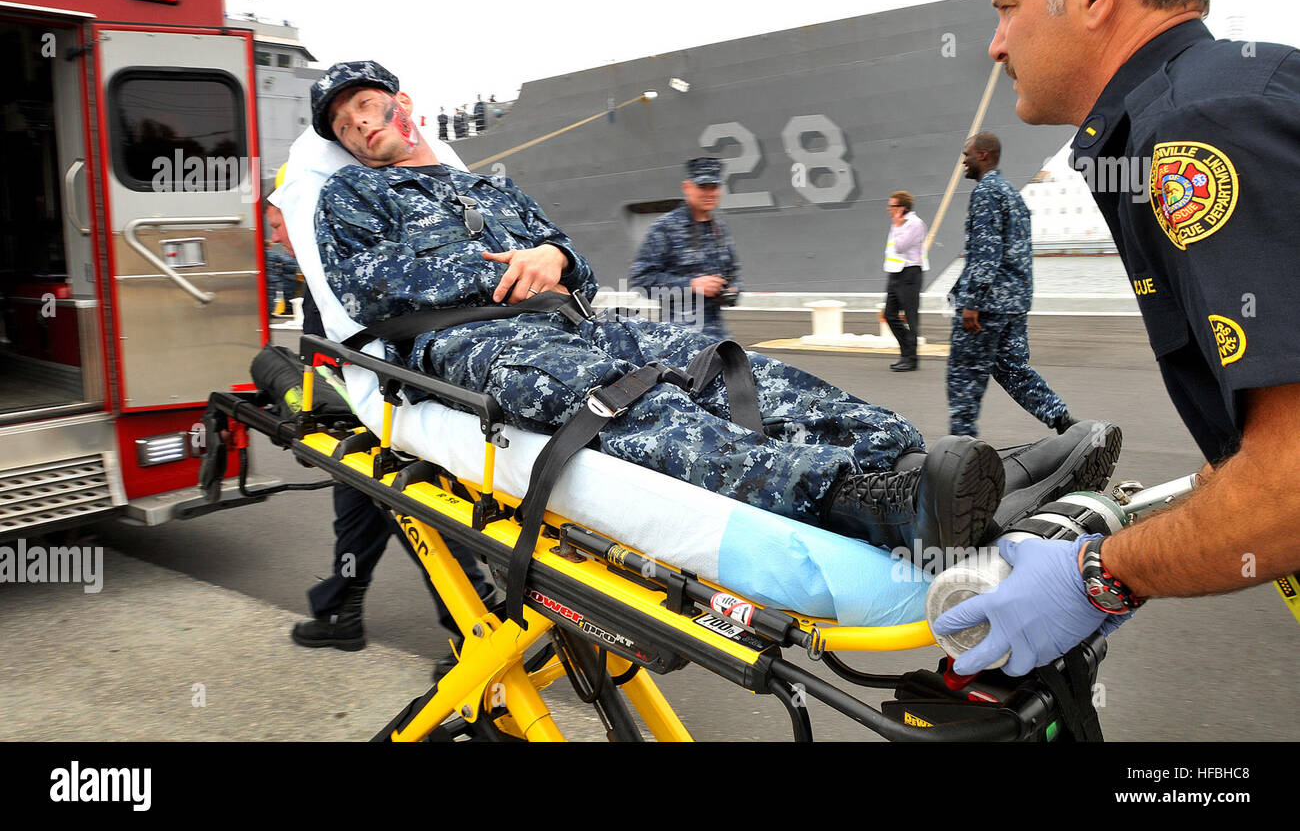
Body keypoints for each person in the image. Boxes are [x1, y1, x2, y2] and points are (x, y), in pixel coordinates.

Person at [306, 60, 1114, 562]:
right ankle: (868, 500)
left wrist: (552, 259)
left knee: (734, 370)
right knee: (637, 407)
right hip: (477, 344)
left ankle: (923, 465)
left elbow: (576, 260)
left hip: (571, 318)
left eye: (368, 107)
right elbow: (370, 286)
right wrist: (500, 273)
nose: (361, 127)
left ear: (403, 103)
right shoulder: (348, 194)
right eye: (345, 125)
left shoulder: (490, 186)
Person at [933, 0, 1300, 676]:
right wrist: (1174, 518)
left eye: (1007, 8)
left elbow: (1294, 484)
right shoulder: (1213, 103)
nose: (996, 45)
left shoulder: (1200, 128)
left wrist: (1104, 573)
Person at [264, 192, 497, 658]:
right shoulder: (333, 260)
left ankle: (475, 625)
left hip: (385, 415)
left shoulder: (331, 268)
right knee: (358, 514)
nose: (274, 238)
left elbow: (334, 354)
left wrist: (310, 412)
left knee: (418, 516)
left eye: (276, 225)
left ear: (297, 218)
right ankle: (340, 613)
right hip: (379, 413)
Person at [946, 132, 1074, 437]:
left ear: (984, 154)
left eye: (967, 154)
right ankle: (1063, 420)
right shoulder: (1011, 193)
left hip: (988, 305)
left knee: (964, 375)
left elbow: (986, 251)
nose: (964, 160)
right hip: (1014, 303)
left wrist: (971, 301)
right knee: (1013, 369)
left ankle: (961, 447)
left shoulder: (986, 192)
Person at [627, 157, 742, 340]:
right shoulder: (665, 227)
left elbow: (733, 273)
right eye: (703, 187)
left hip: (717, 337)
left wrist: (732, 289)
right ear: (687, 187)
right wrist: (691, 285)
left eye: (714, 187)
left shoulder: (719, 229)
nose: (710, 193)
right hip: (680, 338)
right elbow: (641, 280)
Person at [882, 190, 928, 372]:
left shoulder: (915, 224)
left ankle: (911, 359)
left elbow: (900, 247)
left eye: (891, 205)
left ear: (901, 208)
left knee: (910, 317)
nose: (888, 209)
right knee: (889, 314)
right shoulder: (899, 223)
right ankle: (905, 352)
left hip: (910, 274)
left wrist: (897, 225)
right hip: (895, 273)